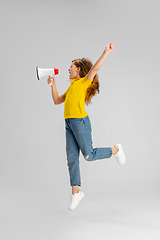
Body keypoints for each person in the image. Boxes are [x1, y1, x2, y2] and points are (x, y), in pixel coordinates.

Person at [47, 42, 126, 211]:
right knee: (71, 158)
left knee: (88, 155)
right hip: (69, 122)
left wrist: (105, 52)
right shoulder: (72, 86)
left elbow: (95, 69)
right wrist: (53, 85)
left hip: (80, 122)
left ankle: (116, 150)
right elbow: (56, 101)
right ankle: (76, 192)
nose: (68, 69)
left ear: (79, 70)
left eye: (71, 67)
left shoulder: (84, 82)